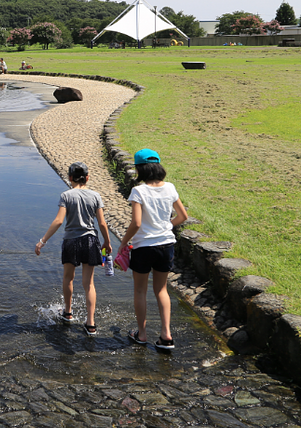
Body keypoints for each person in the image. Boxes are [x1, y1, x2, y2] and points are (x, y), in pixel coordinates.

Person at [120, 149, 188, 350]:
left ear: (140, 169)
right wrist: (166, 226)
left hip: (144, 247)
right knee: (161, 289)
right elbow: (183, 216)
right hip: (166, 245)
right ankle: (166, 335)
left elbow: (137, 223)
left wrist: (124, 242)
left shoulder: (139, 191)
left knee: (140, 290)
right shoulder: (170, 188)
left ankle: (141, 335)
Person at [35, 162, 112, 335]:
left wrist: (42, 241)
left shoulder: (66, 195)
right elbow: (101, 223)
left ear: (70, 178)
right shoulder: (95, 195)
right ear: (87, 177)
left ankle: (68, 313)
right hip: (91, 241)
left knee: (68, 278)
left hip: (71, 241)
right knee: (89, 284)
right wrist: (107, 242)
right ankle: (90, 323)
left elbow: (59, 221)